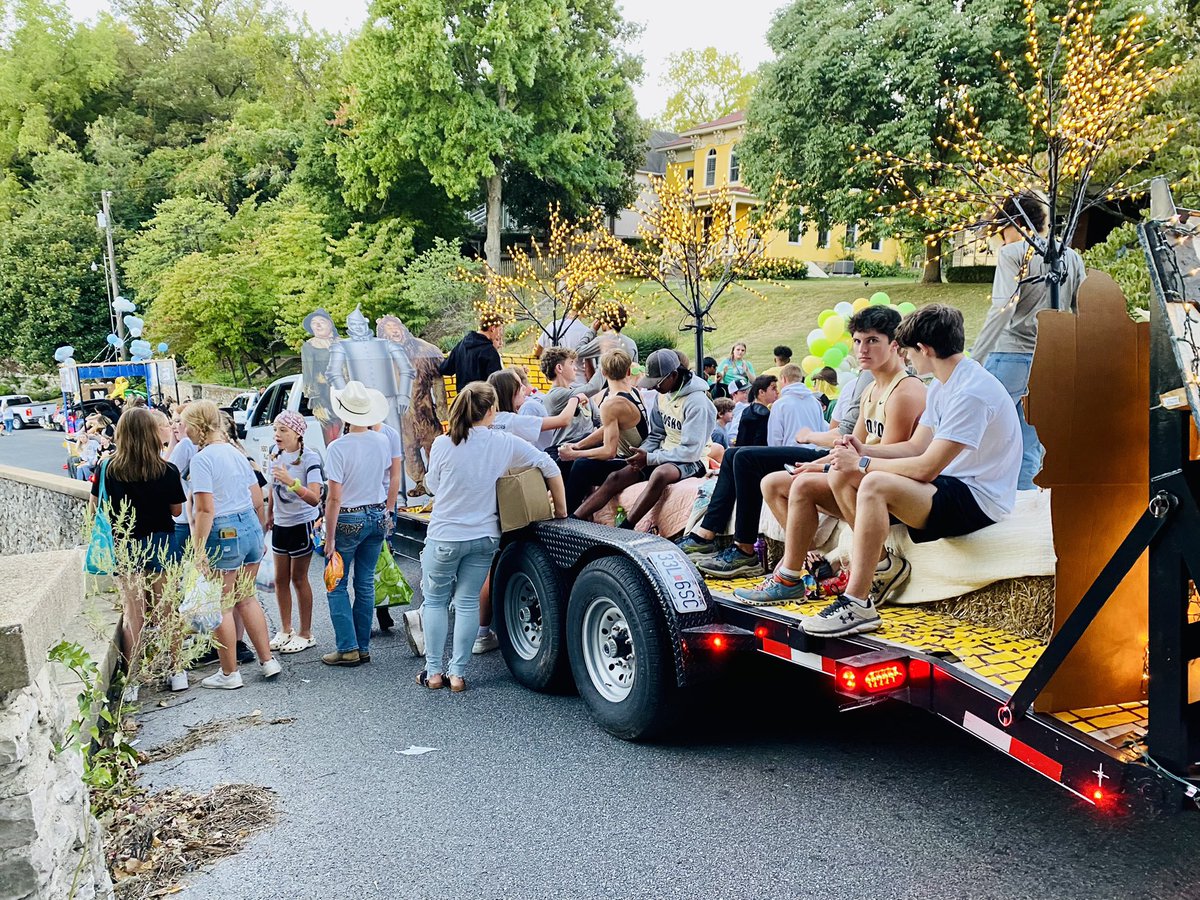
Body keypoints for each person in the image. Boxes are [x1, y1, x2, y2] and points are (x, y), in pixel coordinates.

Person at [742, 305, 1021, 639]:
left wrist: (862, 464)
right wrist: (862, 450)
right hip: (951, 485)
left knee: (872, 483)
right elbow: (916, 447)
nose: (908, 358)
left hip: (978, 498)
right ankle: (858, 569)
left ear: (925, 350)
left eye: (908, 350)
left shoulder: (970, 392)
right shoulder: (947, 384)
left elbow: (926, 467)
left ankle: (857, 603)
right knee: (843, 475)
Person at [733, 306, 925, 593]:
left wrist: (822, 467)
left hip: (883, 486)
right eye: (858, 341)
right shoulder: (872, 390)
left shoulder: (905, 392)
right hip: (859, 474)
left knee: (805, 485)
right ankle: (804, 561)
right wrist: (818, 462)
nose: (862, 349)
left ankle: (874, 564)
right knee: (772, 482)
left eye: (872, 341)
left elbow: (886, 462)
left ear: (895, 345)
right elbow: (854, 446)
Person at [417, 382, 568, 692]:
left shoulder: (443, 444)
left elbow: (432, 485)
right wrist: (561, 512)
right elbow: (548, 465)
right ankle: (457, 674)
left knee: (435, 602)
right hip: (485, 536)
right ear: (489, 411)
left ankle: (434, 673)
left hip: (445, 535)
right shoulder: (503, 442)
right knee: (468, 602)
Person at [972, 191, 1086, 490]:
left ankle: (984, 501)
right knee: (1032, 443)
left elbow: (1002, 308)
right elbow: (1082, 310)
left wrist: (973, 361)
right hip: (1052, 361)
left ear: (1014, 223)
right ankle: (1024, 507)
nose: (1002, 237)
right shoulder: (1071, 256)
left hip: (1010, 355)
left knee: (980, 434)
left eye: (1001, 229)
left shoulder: (1014, 254)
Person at [678, 364, 831, 578]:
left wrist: (809, 437)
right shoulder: (815, 403)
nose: (776, 392)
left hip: (816, 455)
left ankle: (744, 549)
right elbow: (835, 431)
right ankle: (705, 533)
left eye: (776, 388)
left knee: (744, 458)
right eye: (772, 389)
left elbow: (774, 441)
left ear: (785, 381)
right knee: (733, 454)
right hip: (818, 451)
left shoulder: (781, 405)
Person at [89, 408, 188, 698]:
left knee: (134, 614)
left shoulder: (107, 468)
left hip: (125, 544)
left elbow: (96, 507)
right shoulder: (167, 470)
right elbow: (177, 510)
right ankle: (177, 670)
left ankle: (132, 679)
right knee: (167, 606)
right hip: (161, 542)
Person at [183, 400, 280, 689]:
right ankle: (267, 660)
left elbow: (204, 510)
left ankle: (229, 673)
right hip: (249, 525)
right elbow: (255, 497)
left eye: (187, 424)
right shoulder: (236, 453)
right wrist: (260, 533)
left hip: (224, 531)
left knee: (222, 604)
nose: (183, 430)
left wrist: (198, 549)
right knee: (246, 597)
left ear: (198, 426)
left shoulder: (202, 460)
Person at [572, 349, 715, 529]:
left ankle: (626, 527)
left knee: (660, 474)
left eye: (658, 383)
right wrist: (643, 453)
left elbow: (690, 451)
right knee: (618, 475)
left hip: (693, 460)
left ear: (673, 375)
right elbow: (656, 434)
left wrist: (650, 458)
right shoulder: (662, 395)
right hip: (665, 453)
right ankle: (574, 518)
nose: (654, 387)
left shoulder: (697, 402)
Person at [322, 382, 393, 667]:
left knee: (335, 583)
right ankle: (362, 646)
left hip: (348, 518)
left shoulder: (338, 448)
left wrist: (329, 537)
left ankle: (347, 647)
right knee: (364, 583)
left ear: (344, 415)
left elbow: (334, 498)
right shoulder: (383, 441)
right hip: (377, 516)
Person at [558, 349, 650, 511]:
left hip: (632, 463)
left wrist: (574, 454)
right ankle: (566, 508)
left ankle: (568, 515)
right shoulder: (634, 392)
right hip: (637, 455)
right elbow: (608, 429)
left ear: (603, 372)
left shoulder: (611, 404)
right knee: (570, 456)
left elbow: (609, 452)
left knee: (580, 465)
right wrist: (578, 445)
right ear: (628, 371)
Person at [264, 411, 323, 654]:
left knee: (299, 579)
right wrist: (269, 514)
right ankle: (285, 628)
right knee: (280, 579)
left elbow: (315, 498)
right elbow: (272, 485)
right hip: (281, 523)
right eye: (275, 429)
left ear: (298, 433)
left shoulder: (310, 458)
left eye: (283, 430)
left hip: (302, 524)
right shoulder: (274, 452)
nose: (277, 435)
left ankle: (306, 633)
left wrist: (291, 481)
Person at [539, 347, 593, 469]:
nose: (575, 368)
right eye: (571, 363)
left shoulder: (579, 391)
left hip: (585, 448)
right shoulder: (555, 395)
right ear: (559, 368)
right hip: (565, 451)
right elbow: (594, 387)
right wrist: (608, 365)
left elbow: (599, 418)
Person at [575, 304, 639, 392]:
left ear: (604, 322)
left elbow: (577, 352)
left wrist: (592, 331)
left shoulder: (604, 340)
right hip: (626, 390)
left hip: (605, 391)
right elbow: (635, 371)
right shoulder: (631, 343)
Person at [440, 312, 503, 393]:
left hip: (462, 400)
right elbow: (497, 384)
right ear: (493, 328)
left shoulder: (461, 346)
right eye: (499, 330)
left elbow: (445, 369)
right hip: (482, 401)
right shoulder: (489, 351)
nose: (498, 335)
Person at [733, 375, 780, 447]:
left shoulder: (747, 410)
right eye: (773, 388)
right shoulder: (765, 415)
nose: (777, 392)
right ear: (761, 392)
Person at [725, 378, 752, 443]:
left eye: (747, 391)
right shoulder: (726, 410)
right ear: (734, 394)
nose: (747, 394)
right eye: (743, 392)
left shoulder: (749, 406)